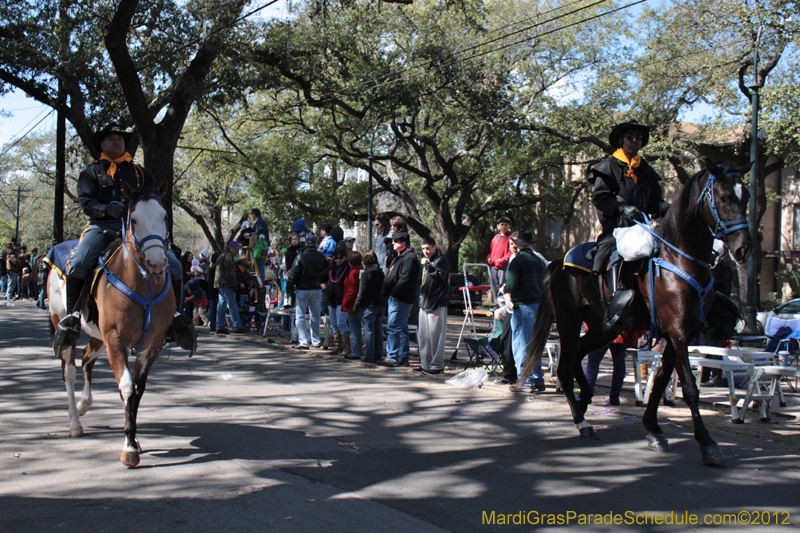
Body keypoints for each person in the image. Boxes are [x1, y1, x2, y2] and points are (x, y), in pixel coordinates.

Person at [53, 122, 194, 354]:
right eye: (111, 139)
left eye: (120, 139)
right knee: (78, 263)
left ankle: (175, 318)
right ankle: (72, 317)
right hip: (102, 227)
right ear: (102, 144)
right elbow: (87, 203)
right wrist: (108, 209)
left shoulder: (139, 172)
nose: (116, 142)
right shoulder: (91, 172)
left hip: (136, 231)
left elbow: (154, 199)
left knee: (176, 265)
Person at [589, 121, 670, 333]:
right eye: (630, 137)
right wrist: (622, 208)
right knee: (618, 253)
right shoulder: (607, 166)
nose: (635, 141)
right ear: (621, 141)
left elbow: (654, 201)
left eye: (639, 138)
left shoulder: (645, 169)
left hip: (643, 228)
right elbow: (600, 198)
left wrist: (666, 208)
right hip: (618, 228)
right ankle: (616, 307)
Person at [505, 230, 547, 392]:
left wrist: (505, 289)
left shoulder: (518, 261)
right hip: (540, 305)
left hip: (524, 305)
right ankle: (537, 378)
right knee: (536, 343)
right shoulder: (539, 260)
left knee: (522, 344)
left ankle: (525, 380)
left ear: (518, 244)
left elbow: (511, 284)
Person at [381, 231, 420, 367]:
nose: (393, 243)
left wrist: (395, 293)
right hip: (397, 299)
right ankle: (403, 357)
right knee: (402, 329)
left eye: (396, 241)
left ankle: (392, 357)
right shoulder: (401, 256)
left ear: (403, 243)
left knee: (393, 328)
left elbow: (405, 279)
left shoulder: (409, 258)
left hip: (400, 299)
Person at [415, 237, 450, 375]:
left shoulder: (441, 260)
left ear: (435, 247)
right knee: (423, 336)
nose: (426, 251)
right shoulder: (427, 262)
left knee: (436, 336)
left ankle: (437, 366)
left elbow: (441, 279)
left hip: (437, 303)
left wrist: (428, 267)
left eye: (428, 248)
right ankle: (426, 364)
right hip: (425, 303)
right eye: (423, 249)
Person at [287, 233, 327, 349]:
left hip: (303, 289)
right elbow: (326, 272)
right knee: (315, 316)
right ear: (315, 243)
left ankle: (303, 341)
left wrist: (289, 287)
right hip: (316, 289)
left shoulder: (301, 256)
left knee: (300, 316)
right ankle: (316, 340)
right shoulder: (321, 257)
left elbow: (293, 274)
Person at [354, 250, 385, 363]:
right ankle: (378, 356)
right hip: (380, 304)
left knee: (369, 332)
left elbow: (362, 292)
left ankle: (369, 357)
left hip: (369, 305)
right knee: (378, 332)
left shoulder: (366, 273)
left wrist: (355, 306)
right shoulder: (380, 273)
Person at [214, 241, 249, 335]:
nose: (237, 252)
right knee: (232, 305)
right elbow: (230, 272)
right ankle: (237, 326)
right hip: (226, 284)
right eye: (236, 250)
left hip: (219, 283)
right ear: (231, 248)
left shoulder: (221, 255)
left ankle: (219, 326)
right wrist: (234, 284)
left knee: (221, 305)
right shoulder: (228, 257)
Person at [321, 244, 351, 355]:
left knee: (341, 322)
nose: (338, 260)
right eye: (336, 258)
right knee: (334, 323)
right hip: (331, 299)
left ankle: (347, 346)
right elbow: (321, 276)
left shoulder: (347, 268)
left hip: (341, 299)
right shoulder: (331, 268)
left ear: (345, 257)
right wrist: (321, 284)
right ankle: (338, 345)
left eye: (341, 258)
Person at [341, 251, 363, 360]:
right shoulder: (360, 270)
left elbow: (351, 291)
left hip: (352, 304)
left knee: (354, 329)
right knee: (357, 329)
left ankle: (356, 351)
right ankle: (358, 350)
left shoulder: (353, 272)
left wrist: (344, 303)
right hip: (359, 304)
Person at [486, 216, 512, 304]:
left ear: (509, 226)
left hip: (504, 266)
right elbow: (491, 250)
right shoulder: (495, 237)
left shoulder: (510, 237)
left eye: (506, 225)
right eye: (501, 224)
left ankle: (503, 303)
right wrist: (490, 258)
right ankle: (496, 304)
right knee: (494, 285)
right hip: (494, 266)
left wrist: (503, 260)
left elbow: (511, 252)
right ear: (498, 226)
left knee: (502, 285)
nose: (503, 226)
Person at [242, 208, 270, 285]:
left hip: (261, 247)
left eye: (251, 214)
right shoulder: (257, 222)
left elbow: (258, 232)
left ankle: (260, 282)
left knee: (260, 263)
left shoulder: (261, 222)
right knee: (257, 264)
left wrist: (249, 234)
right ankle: (257, 281)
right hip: (257, 247)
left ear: (253, 214)